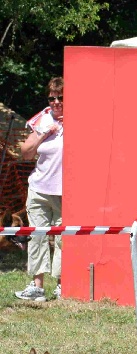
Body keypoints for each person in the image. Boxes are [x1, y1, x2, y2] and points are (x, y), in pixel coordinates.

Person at [14, 77, 64, 302]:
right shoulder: (42, 119)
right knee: (37, 237)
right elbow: (25, 152)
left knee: (64, 238)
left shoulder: (81, 117)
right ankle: (37, 287)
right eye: (52, 97)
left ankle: (63, 284)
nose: (55, 102)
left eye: (60, 97)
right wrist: (44, 133)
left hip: (66, 191)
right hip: (39, 188)